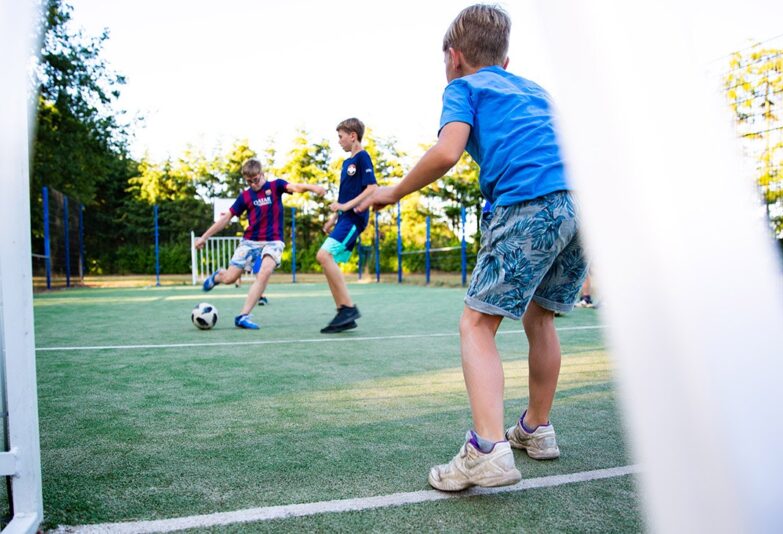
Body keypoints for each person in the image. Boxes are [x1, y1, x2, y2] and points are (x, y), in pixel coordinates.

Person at [357, 4, 587, 491]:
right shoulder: (535, 90)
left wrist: (393, 191)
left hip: (530, 203)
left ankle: (486, 450)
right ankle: (535, 429)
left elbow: (447, 151)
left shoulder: (462, 87)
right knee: (540, 316)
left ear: (453, 56)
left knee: (477, 324)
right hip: (581, 206)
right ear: (506, 60)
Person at [195, 158, 325, 329]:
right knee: (230, 278)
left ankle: (243, 316)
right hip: (250, 242)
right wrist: (204, 237)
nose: (253, 184)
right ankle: (219, 275)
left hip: (273, 241)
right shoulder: (245, 196)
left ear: (262, 174)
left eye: (255, 179)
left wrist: (312, 188)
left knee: (264, 272)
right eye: (249, 181)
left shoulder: (275, 186)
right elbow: (226, 218)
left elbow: (294, 187)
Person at [316, 118, 378, 333]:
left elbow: (372, 188)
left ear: (353, 135)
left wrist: (345, 207)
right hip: (344, 219)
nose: (339, 141)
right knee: (326, 259)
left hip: (354, 219)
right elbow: (345, 195)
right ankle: (344, 311)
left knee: (323, 256)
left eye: (341, 137)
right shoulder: (346, 164)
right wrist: (333, 218)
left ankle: (348, 308)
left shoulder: (362, 157)